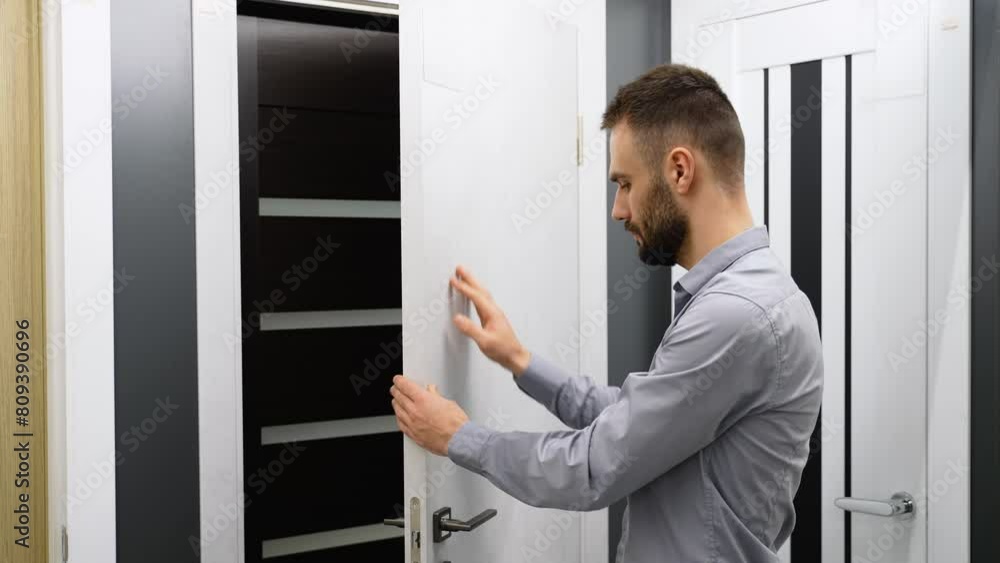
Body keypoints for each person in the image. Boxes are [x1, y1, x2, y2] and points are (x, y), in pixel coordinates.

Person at [389, 63, 823, 562]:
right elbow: (636, 422)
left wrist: (460, 438)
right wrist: (521, 361)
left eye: (624, 183)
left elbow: (594, 466)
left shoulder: (736, 314)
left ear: (680, 170)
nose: (618, 209)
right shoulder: (758, 296)